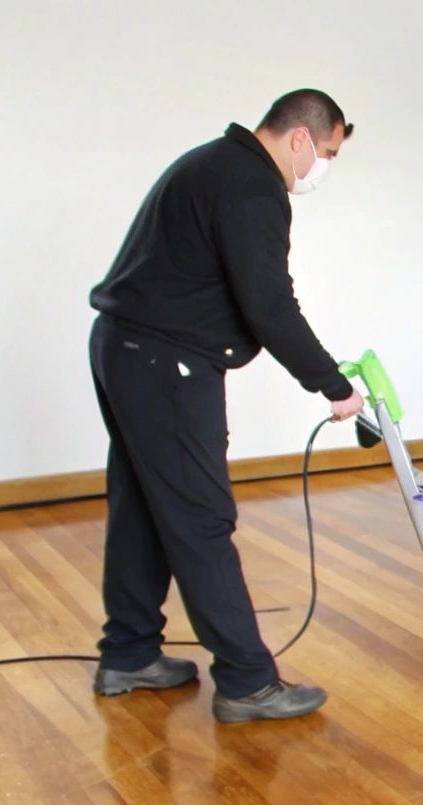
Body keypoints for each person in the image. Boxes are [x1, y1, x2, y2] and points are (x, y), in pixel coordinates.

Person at [85, 89, 363, 723]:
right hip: (166, 364)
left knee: (144, 508)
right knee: (201, 519)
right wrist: (333, 385)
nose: (322, 167)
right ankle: (247, 681)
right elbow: (269, 305)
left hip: (125, 348)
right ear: (298, 137)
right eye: (326, 152)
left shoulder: (211, 162)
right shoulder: (251, 186)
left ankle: (128, 654)